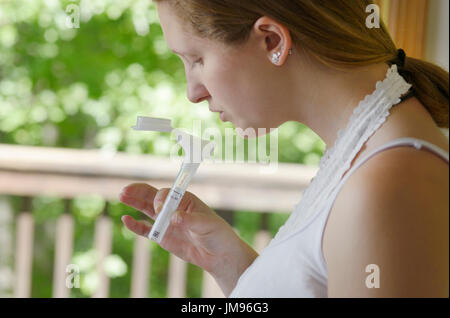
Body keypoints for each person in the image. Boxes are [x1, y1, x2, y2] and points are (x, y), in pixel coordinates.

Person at [119, 0, 449, 297]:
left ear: (272, 40)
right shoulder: (360, 153)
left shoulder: (386, 186)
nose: (193, 92)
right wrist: (232, 266)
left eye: (196, 59)